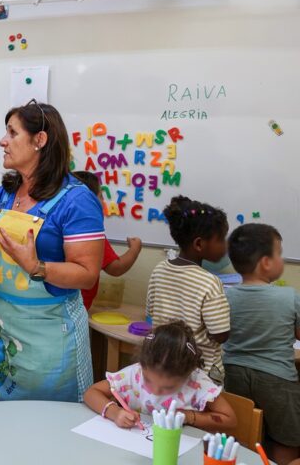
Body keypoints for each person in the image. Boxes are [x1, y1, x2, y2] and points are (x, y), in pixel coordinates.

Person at [0, 100, 104, 402]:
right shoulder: (5, 193)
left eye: (12, 133)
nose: (2, 141)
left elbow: (87, 275)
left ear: (40, 140)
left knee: (44, 427)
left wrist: (38, 267)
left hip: (47, 340)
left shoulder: (77, 201)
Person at [223, 223, 300, 465]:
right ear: (266, 262)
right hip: (278, 380)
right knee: (287, 440)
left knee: (242, 435)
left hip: (232, 375)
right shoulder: (289, 297)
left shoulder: (226, 295)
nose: (282, 258)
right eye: (279, 252)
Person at [84, 321, 237, 433]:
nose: (156, 391)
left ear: (189, 373)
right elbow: (91, 393)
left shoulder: (197, 383)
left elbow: (230, 420)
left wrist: (189, 417)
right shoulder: (133, 374)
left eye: (168, 387)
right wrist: (114, 412)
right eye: (148, 381)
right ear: (142, 364)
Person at [146, 196, 230, 383]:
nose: (225, 246)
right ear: (199, 244)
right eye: (221, 239)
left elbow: (151, 312)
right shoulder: (210, 282)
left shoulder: (159, 270)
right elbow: (221, 334)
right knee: (205, 413)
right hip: (200, 374)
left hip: (164, 366)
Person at [71, 170, 142, 310]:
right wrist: (135, 249)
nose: (103, 201)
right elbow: (116, 268)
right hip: (76, 307)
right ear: (88, 199)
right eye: (101, 196)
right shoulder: (90, 232)